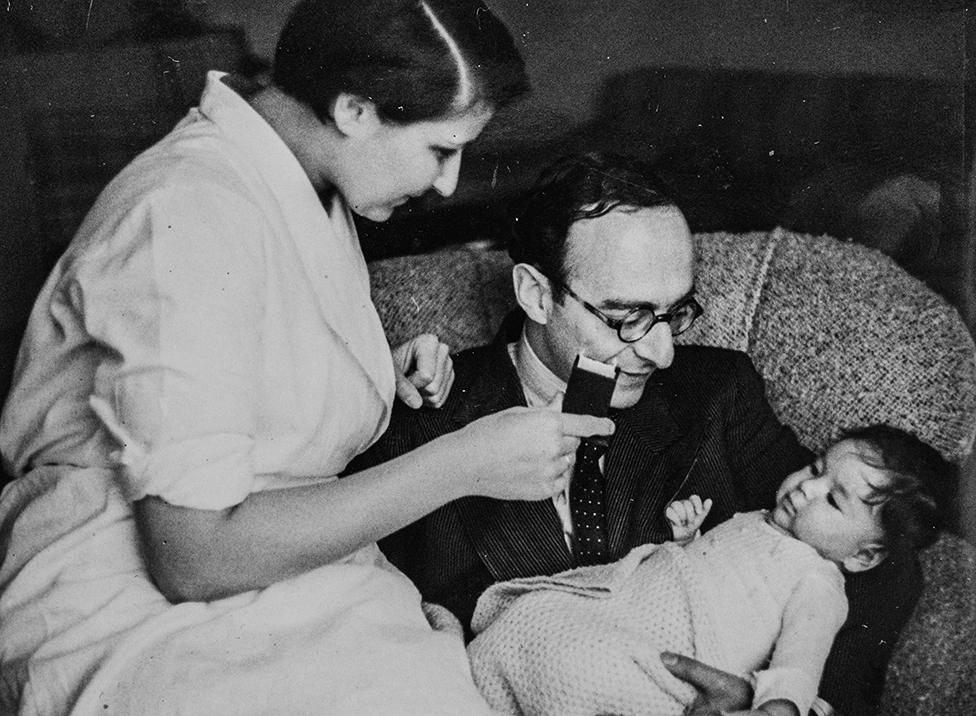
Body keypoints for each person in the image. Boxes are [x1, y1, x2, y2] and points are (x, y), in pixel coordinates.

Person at [0, 2, 617, 714]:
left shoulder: (297, 176)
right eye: (440, 151)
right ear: (354, 109)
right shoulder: (185, 210)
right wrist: (461, 463)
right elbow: (191, 556)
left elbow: (213, 370)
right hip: (123, 587)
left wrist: (365, 372)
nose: (448, 184)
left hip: (285, 570)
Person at [358, 151, 930, 715]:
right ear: (536, 293)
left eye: (675, 313)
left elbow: (884, 559)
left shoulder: (715, 393)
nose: (661, 353)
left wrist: (781, 703)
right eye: (627, 317)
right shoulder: (427, 421)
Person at [466, 425, 947, 716]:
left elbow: (800, 661)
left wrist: (779, 707)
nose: (806, 488)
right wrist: (687, 540)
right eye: (816, 468)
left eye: (834, 500)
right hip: (639, 607)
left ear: (863, 556)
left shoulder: (818, 583)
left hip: (677, 654)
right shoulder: (760, 519)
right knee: (535, 617)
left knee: (580, 663)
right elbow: (711, 575)